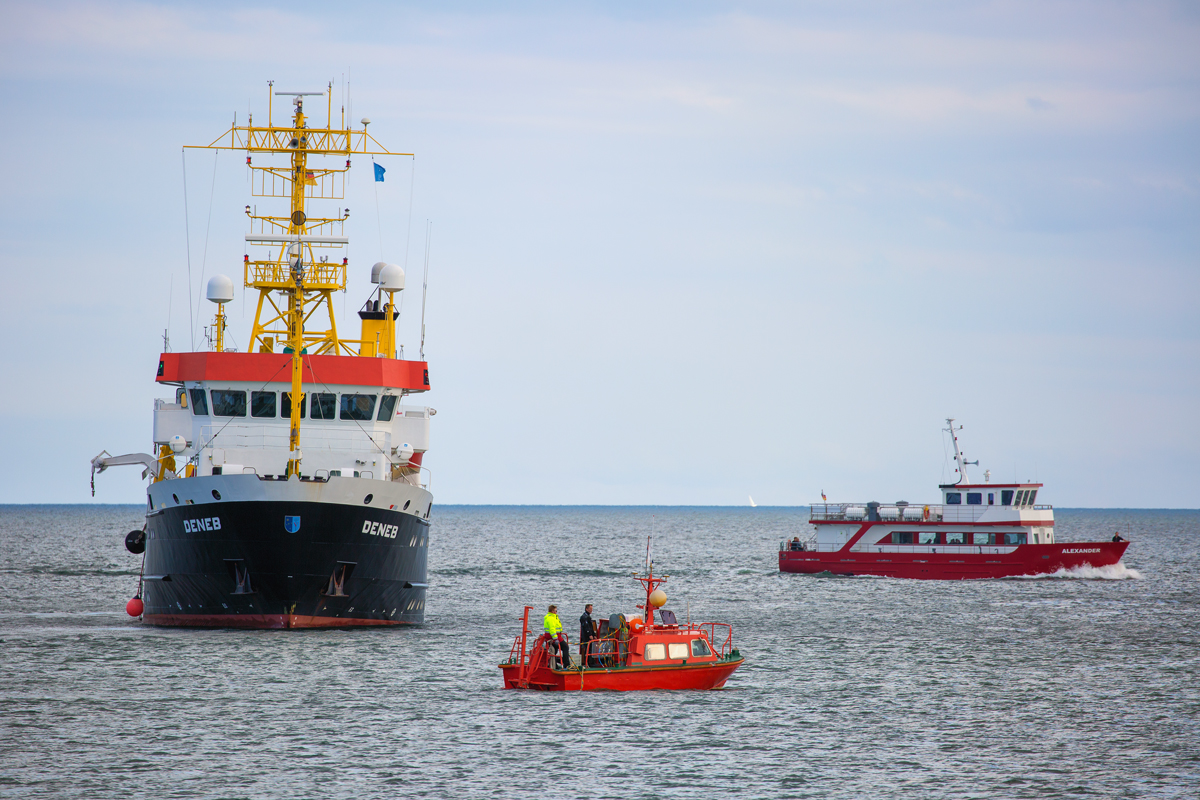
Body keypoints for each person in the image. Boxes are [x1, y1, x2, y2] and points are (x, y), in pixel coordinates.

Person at [543, 604, 568, 669]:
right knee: (565, 647)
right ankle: (567, 665)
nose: (556, 612)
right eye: (555, 610)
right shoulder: (551, 618)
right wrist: (555, 639)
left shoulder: (550, 617)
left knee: (554, 651)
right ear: (552, 611)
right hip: (555, 637)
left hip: (553, 636)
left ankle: (554, 664)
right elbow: (552, 629)